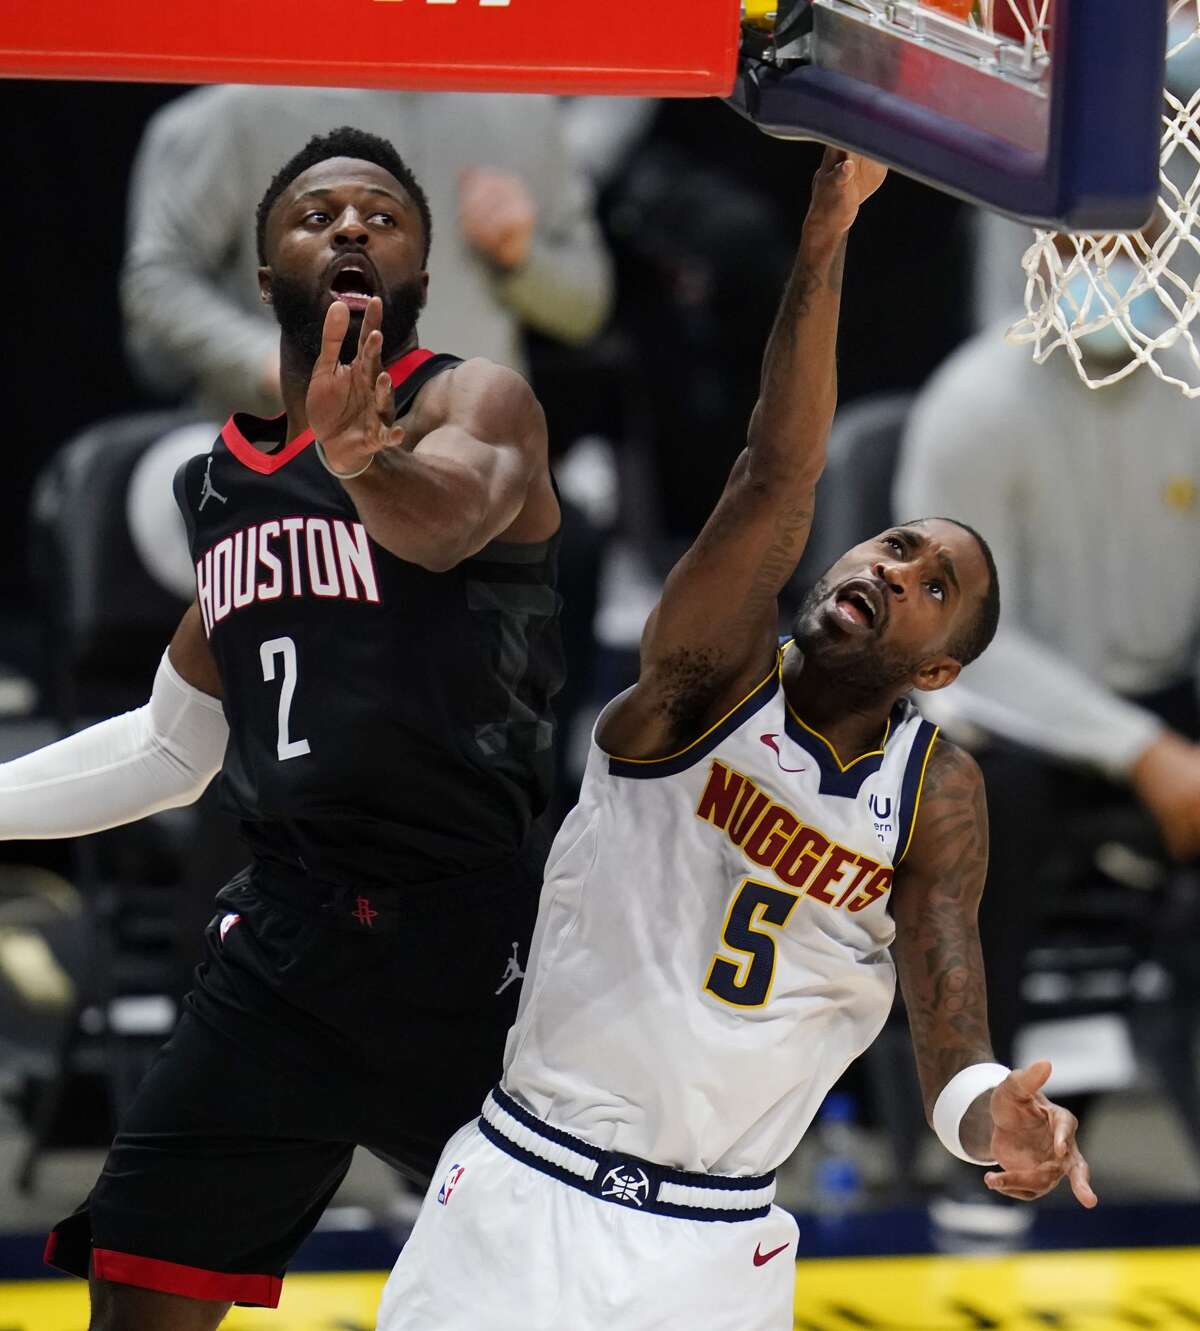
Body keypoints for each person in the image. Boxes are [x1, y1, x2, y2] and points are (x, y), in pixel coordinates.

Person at [376, 149, 1096, 1331]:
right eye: (894, 542)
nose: (888, 562)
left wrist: (993, 1121)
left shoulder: (935, 793)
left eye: (930, 580)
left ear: (940, 667)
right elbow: (775, 474)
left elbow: (951, 1032)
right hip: (529, 1191)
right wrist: (825, 231)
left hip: (718, 1245)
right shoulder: (705, 684)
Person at [1, 126, 563, 1328]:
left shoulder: (475, 402)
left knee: (572, 1288)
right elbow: (170, 745)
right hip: (289, 938)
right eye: (317, 215)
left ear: (419, 272)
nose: (351, 227)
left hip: (469, 940)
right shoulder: (221, 484)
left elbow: (448, 524)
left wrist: (364, 461)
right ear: (266, 276)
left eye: (382, 215)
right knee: (141, 1289)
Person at [895, 228, 1200, 1232]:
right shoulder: (974, 402)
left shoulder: (1190, 383)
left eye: (1140, 242)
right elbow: (958, 641)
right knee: (985, 804)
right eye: (1087, 242)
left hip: (1156, 698)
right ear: (1042, 250)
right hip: (999, 712)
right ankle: (978, 1140)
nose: (1115, 264)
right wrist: (1139, 750)